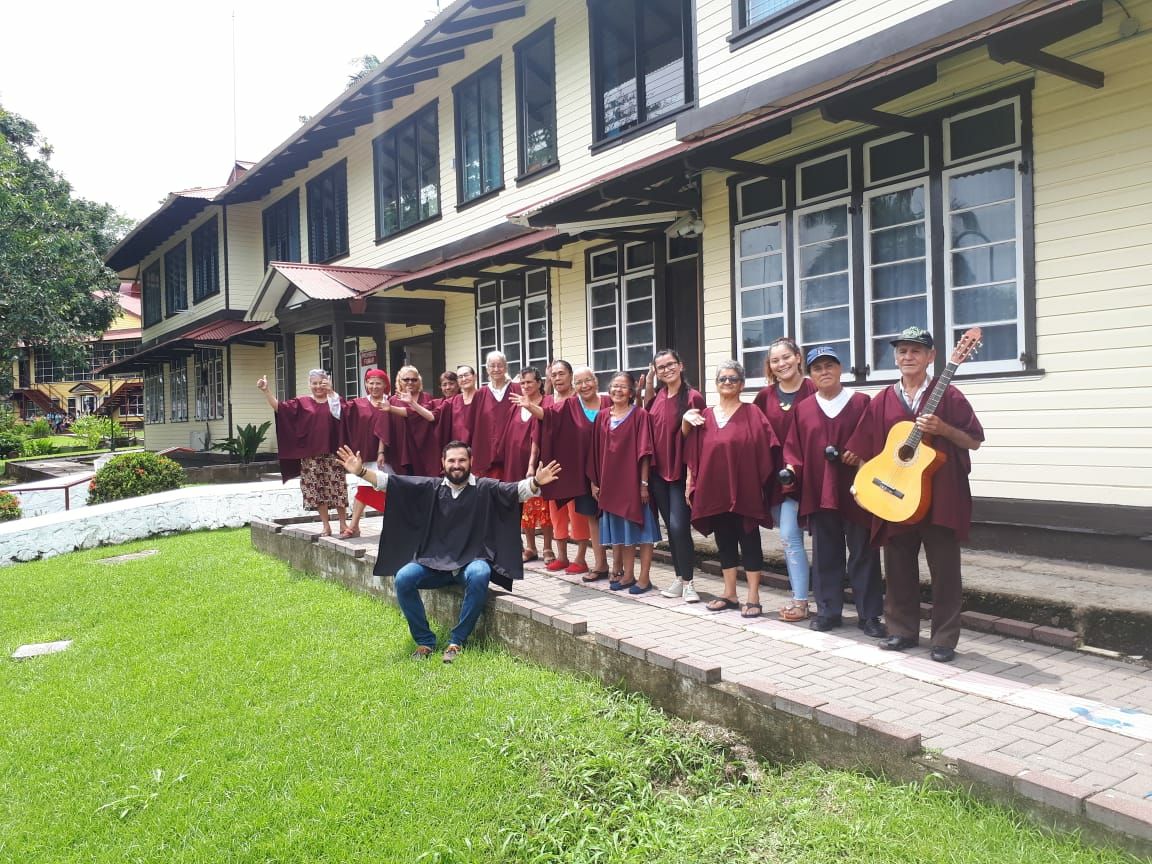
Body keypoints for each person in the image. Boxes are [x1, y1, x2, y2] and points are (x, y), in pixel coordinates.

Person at [336, 441, 562, 663]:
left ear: (471, 462)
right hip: (433, 564)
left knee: (481, 572)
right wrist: (362, 471)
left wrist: (535, 482)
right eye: (451, 460)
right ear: (442, 463)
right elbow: (389, 483)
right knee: (404, 577)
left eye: (462, 460)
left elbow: (515, 492)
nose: (457, 465)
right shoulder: (430, 488)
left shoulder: (485, 488)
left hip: (469, 564)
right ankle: (425, 641)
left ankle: (457, 641)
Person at [844, 326, 984, 663]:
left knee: (946, 571)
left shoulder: (948, 394)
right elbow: (867, 448)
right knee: (897, 567)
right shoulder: (883, 399)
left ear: (931, 357)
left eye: (916, 351)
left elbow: (974, 440)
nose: (908, 357)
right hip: (896, 494)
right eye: (902, 351)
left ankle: (944, 639)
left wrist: (944, 429)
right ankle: (901, 631)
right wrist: (865, 482)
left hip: (941, 496)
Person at [782, 347, 884, 635]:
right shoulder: (803, 409)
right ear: (810, 375)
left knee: (863, 551)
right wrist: (790, 472)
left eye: (829, 365)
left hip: (856, 489)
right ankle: (828, 611)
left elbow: (877, 438)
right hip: (819, 489)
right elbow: (794, 449)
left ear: (841, 369)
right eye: (817, 368)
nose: (824, 372)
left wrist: (860, 451)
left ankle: (869, 615)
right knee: (826, 553)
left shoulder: (862, 403)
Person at [683, 361, 780, 617]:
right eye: (723, 379)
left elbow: (767, 448)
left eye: (733, 379)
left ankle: (753, 596)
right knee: (724, 540)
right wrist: (690, 483)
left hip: (745, 489)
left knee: (749, 539)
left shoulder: (753, 413)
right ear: (716, 384)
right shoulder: (704, 415)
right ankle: (729, 593)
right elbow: (693, 453)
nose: (728, 383)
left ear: (742, 384)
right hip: (714, 490)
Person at [518, 361, 605, 578]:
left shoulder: (580, 402)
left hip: (582, 466)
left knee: (581, 514)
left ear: (570, 377)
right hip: (554, 466)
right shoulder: (550, 402)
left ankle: (584, 558)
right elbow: (538, 433)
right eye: (553, 374)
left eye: (561, 374)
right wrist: (532, 465)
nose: (557, 378)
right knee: (557, 513)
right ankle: (563, 555)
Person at [753, 337, 816, 621]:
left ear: (798, 357)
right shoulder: (765, 397)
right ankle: (803, 596)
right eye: (775, 360)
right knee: (791, 537)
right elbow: (750, 431)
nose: (782, 364)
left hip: (810, 477)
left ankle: (801, 601)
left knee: (790, 537)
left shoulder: (814, 388)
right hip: (775, 480)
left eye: (786, 357)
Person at [642, 349, 706, 603]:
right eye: (661, 367)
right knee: (670, 528)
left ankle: (689, 582)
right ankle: (679, 579)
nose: (666, 370)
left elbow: (698, 441)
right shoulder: (658, 397)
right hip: (659, 473)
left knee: (680, 528)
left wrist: (692, 477)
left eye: (670, 365)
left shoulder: (693, 397)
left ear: (681, 366)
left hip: (680, 473)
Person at [588, 371, 660, 593]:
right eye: (614, 386)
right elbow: (594, 452)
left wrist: (644, 484)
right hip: (611, 484)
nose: (617, 390)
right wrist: (594, 482)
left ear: (631, 392)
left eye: (623, 387)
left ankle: (644, 578)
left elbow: (645, 452)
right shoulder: (602, 416)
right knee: (625, 532)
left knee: (644, 532)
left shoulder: (640, 416)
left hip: (634, 483)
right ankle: (628, 575)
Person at [258, 369, 348, 537]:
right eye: (314, 383)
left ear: (328, 382)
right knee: (317, 490)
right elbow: (280, 408)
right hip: (310, 455)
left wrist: (332, 392)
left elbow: (345, 414)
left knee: (338, 489)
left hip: (333, 453)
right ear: (309, 384)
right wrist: (266, 390)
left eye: (321, 382)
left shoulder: (335, 400)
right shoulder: (302, 402)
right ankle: (326, 526)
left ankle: (343, 525)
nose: (318, 386)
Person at [501, 366, 554, 563]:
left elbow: (540, 435)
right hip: (515, 462)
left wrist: (532, 464)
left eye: (529, 382)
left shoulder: (546, 402)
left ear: (539, 383)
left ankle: (548, 547)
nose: (525, 386)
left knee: (542, 506)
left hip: (538, 462)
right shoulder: (516, 405)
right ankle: (530, 547)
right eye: (522, 383)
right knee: (523, 505)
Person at [342, 368, 392, 538]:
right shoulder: (358, 404)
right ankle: (354, 526)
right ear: (365, 384)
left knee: (390, 490)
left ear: (385, 385)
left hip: (391, 455)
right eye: (371, 383)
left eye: (378, 383)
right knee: (364, 487)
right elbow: (339, 410)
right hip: (366, 454)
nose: (374, 386)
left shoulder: (392, 402)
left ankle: (395, 525)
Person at [469, 351, 522, 480]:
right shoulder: (480, 394)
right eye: (492, 366)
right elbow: (473, 424)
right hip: (487, 452)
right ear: (487, 369)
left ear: (506, 367)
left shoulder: (517, 389)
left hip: (512, 451)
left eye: (500, 365)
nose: (496, 369)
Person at [384, 366, 441, 476]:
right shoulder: (392, 400)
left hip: (424, 449)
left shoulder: (427, 398)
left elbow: (432, 420)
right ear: (400, 381)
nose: (410, 382)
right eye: (406, 379)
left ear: (419, 381)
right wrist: (382, 452)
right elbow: (386, 426)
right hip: (401, 449)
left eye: (414, 379)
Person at [440, 365, 479, 449]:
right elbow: (433, 416)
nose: (464, 379)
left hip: (479, 446)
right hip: (459, 450)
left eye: (466, 375)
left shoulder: (484, 396)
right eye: (460, 377)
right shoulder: (452, 402)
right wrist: (412, 403)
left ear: (475, 376)